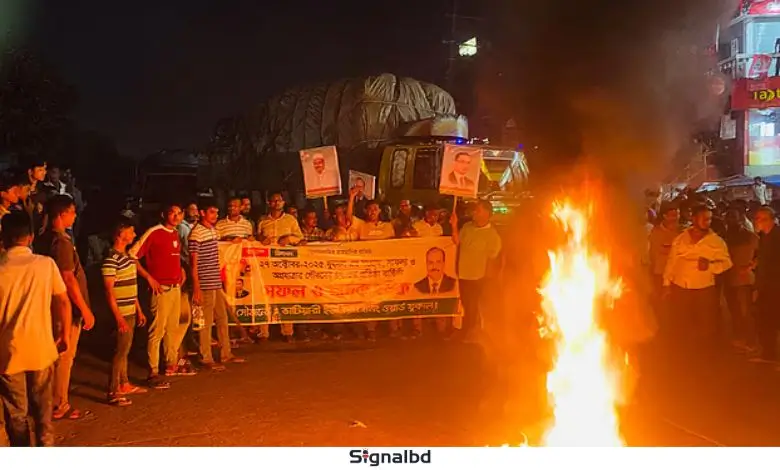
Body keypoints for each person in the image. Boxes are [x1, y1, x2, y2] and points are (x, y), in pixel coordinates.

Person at [0, 212, 71, 446]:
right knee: (43, 411)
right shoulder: (45, 264)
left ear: (4, 238)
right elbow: (62, 300)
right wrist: (64, 334)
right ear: (30, 237)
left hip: (8, 352)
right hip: (41, 347)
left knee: (17, 413)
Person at [34, 195, 95, 421]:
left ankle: (47, 400)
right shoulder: (60, 242)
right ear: (62, 215)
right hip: (64, 308)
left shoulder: (43, 238)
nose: (75, 215)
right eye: (72, 211)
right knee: (63, 357)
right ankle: (59, 403)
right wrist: (85, 309)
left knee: (52, 356)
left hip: (49, 305)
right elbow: (68, 278)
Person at [129, 203, 187, 389]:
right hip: (160, 289)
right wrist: (149, 278)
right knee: (157, 330)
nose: (176, 216)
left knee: (172, 328)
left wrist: (181, 272)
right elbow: (132, 255)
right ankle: (152, 370)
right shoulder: (154, 232)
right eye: (172, 212)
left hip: (175, 287)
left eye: (179, 213)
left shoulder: (176, 233)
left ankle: (171, 363)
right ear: (164, 214)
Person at [662, 205, 732, 347]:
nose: (708, 221)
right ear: (693, 218)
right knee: (680, 322)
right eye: (704, 219)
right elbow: (672, 261)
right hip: (681, 287)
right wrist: (666, 284)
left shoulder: (716, 242)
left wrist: (710, 266)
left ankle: (703, 354)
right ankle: (681, 352)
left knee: (705, 324)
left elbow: (727, 263)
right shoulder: (680, 239)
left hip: (704, 289)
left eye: (710, 219)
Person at [190, 199, 245, 366]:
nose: (216, 215)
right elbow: (194, 263)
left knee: (222, 318)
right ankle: (206, 356)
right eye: (212, 212)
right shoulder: (196, 233)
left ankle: (226, 353)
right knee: (206, 322)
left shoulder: (213, 230)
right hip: (205, 283)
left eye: (216, 212)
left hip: (215, 281)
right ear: (202, 213)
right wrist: (197, 287)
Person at [102, 218, 147, 405]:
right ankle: (113, 391)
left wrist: (139, 310)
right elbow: (109, 291)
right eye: (131, 231)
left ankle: (124, 383)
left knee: (125, 349)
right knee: (119, 352)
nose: (134, 235)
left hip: (129, 309)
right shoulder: (111, 260)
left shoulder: (128, 258)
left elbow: (131, 286)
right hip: (120, 311)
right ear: (121, 234)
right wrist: (118, 317)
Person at [451, 199, 502, 339]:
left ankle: (471, 331)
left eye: (478, 210)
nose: (474, 212)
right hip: (463, 274)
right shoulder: (467, 227)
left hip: (479, 276)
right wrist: (454, 225)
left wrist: (490, 277)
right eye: (475, 210)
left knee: (474, 305)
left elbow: (494, 257)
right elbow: (457, 240)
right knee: (467, 304)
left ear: (486, 213)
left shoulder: (492, 235)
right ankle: (469, 330)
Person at [723, 208, 759, 354]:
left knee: (745, 312)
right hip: (730, 279)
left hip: (744, 281)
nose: (732, 220)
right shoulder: (724, 238)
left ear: (741, 219)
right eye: (729, 217)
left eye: (734, 217)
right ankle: (741, 339)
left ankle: (750, 341)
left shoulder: (751, 237)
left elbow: (761, 255)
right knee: (735, 311)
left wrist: (751, 265)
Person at [752, 206, 780, 365]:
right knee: (765, 319)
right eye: (757, 218)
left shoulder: (777, 236)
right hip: (766, 285)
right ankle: (768, 353)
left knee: (772, 319)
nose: (758, 222)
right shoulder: (764, 237)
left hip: (775, 286)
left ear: (772, 219)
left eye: (762, 219)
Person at [648, 203, 682, 313]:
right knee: (662, 305)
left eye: (677, 214)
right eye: (672, 215)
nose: (676, 218)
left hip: (679, 275)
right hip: (660, 274)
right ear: (664, 216)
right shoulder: (656, 232)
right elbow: (654, 254)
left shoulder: (683, 232)